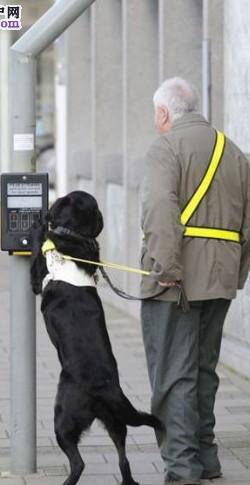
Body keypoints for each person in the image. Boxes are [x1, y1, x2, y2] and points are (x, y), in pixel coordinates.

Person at [140, 77, 250, 485]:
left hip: (177, 282)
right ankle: (207, 459)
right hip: (219, 280)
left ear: (165, 113)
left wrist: (167, 271)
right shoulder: (234, 153)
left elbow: (158, 211)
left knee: (174, 374)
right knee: (204, 370)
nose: (156, 121)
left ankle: (183, 467)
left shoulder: (165, 148)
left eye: (156, 114)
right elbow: (248, 225)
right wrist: (235, 275)